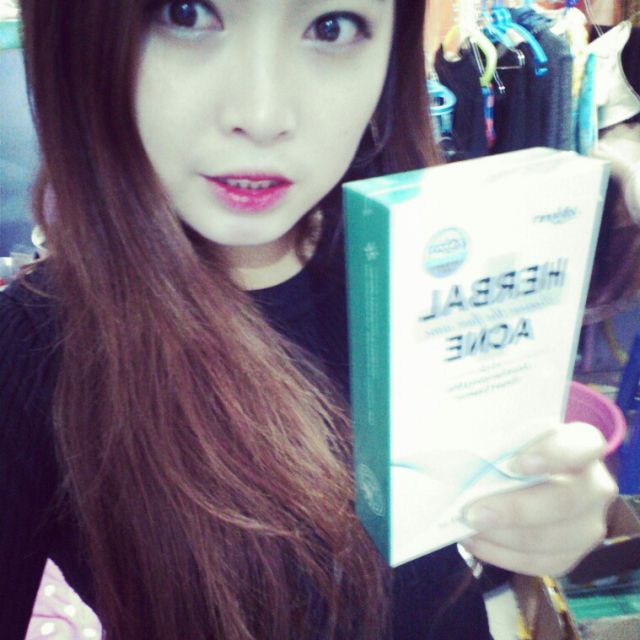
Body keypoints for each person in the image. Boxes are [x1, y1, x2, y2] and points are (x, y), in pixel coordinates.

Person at [0, 1, 616, 638]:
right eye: (186, 14)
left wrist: (542, 511)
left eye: (332, 26)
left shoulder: (421, 261)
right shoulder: (31, 352)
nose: (264, 116)